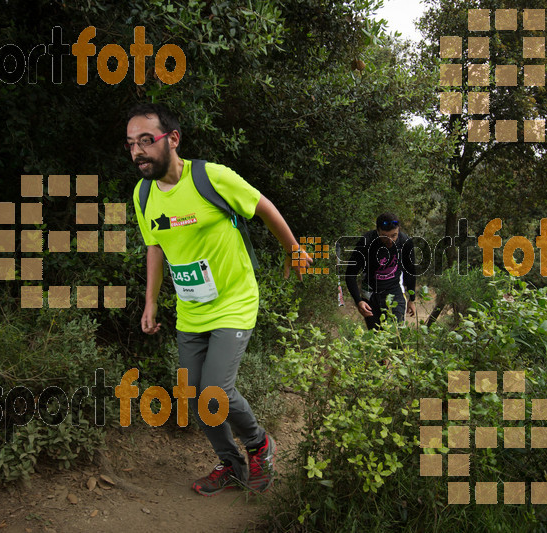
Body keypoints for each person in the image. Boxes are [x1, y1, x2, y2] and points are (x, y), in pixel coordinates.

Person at [127, 103, 311, 496]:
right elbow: (155, 248)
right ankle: (231, 465)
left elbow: (262, 206)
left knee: (215, 390)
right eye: (131, 144)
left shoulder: (209, 177)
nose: (137, 151)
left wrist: (293, 249)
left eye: (146, 140)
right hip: (192, 309)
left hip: (234, 300)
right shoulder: (143, 196)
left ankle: (260, 443)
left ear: (172, 139)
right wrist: (151, 303)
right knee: (194, 396)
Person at [344, 213, 416, 329]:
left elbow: (410, 271)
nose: (390, 240)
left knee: (394, 336)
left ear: (399, 230)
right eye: (385, 236)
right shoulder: (366, 242)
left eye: (394, 235)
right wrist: (358, 301)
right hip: (371, 295)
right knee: (376, 339)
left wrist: (412, 299)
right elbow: (350, 274)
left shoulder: (405, 242)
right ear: (377, 231)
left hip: (395, 292)